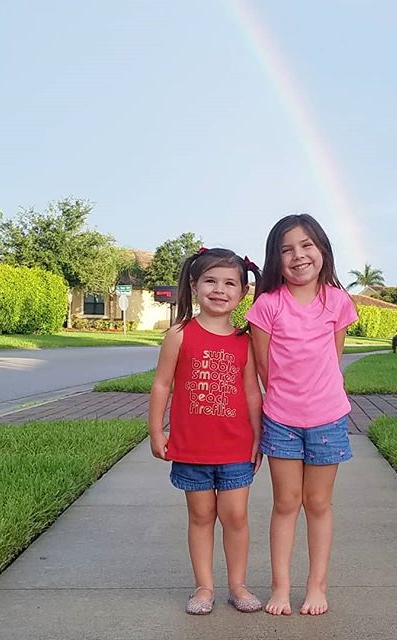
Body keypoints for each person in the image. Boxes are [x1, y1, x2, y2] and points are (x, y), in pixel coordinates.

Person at [246, 214, 358, 617]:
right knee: (286, 503)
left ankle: (317, 585)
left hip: (328, 419)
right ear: (276, 259)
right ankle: (281, 587)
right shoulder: (266, 306)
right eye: (287, 249)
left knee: (318, 503)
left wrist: (316, 398)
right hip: (282, 420)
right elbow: (263, 368)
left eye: (307, 245)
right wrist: (287, 405)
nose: (298, 255)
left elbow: (335, 356)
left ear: (322, 250)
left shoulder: (338, 301)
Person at [148, 247, 264, 615]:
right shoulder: (180, 334)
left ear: (243, 293)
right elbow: (162, 386)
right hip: (191, 449)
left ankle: (238, 585)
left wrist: (259, 436)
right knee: (200, 517)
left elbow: (251, 392)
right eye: (211, 281)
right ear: (194, 285)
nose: (220, 289)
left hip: (235, 448)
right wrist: (156, 430)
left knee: (236, 517)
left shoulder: (244, 341)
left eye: (230, 283)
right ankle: (204, 587)